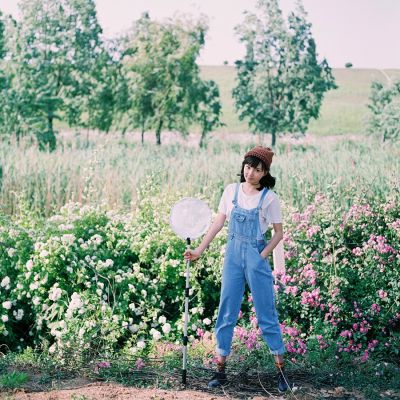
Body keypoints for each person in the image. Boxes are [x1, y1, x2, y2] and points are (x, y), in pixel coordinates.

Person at [184, 146, 292, 393]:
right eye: (248, 167)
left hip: (256, 257)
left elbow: (278, 233)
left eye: (257, 169)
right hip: (232, 257)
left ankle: (281, 373)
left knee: (266, 314)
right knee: (227, 311)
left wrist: (261, 256)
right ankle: (220, 370)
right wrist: (199, 250)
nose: (250, 172)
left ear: (265, 173)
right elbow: (218, 223)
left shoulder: (269, 198)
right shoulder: (230, 191)